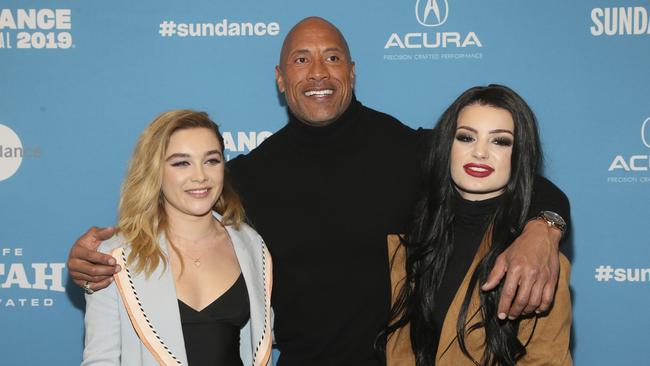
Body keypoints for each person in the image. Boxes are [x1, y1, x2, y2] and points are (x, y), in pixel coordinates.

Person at [69, 18, 569, 366]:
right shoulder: (247, 176)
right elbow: (170, 217)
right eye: (301, 60)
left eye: (332, 57)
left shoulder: (409, 149)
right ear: (281, 80)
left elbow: (516, 175)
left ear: (352, 71)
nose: (318, 72)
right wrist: (97, 260)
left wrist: (544, 229)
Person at [384, 85, 571, 365]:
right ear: (447, 146)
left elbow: (545, 360)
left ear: (520, 154)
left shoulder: (535, 259)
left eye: (500, 141)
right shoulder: (412, 241)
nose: (480, 152)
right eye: (467, 137)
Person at [81, 110, 272, 366]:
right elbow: (101, 360)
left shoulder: (251, 245)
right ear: (155, 171)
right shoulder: (116, 256)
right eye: (182, 163)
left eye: (211, 160)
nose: (200, 176)